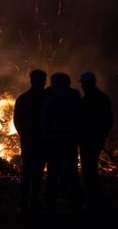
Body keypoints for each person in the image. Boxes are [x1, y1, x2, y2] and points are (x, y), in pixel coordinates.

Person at [40, 72, 82, 213]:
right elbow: (81, 121)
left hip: (54, 141)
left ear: (55, 85)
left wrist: (45, 139)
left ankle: (49, 204)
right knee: (73, 173)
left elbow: (44, 121)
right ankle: (76, 204)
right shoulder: (75, 100)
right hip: (70, 140)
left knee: (52, 173)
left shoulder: (50, 100)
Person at [76, 71, 113, 211]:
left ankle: (92, 200)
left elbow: (80, 121)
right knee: (91, 169)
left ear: (87, 84)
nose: (82, 87)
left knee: (88, 170)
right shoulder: (103, 98)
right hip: (96, 139)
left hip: (87, 140)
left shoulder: (86, 100)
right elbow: (108, 120)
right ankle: (94, 199)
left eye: (84, 84)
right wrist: (103, 135)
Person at [13, 69, 49, 212]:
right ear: (32, 81)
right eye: (38, 80)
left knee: (37, 171)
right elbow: (17, 121)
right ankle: (25, 200)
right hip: (30, 140)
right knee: (28, 171)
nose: (41, 83)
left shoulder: (46, 98)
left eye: (42, 81)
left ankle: (34, 199)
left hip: (40, 140)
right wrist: (25, 134)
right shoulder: (25, 99)